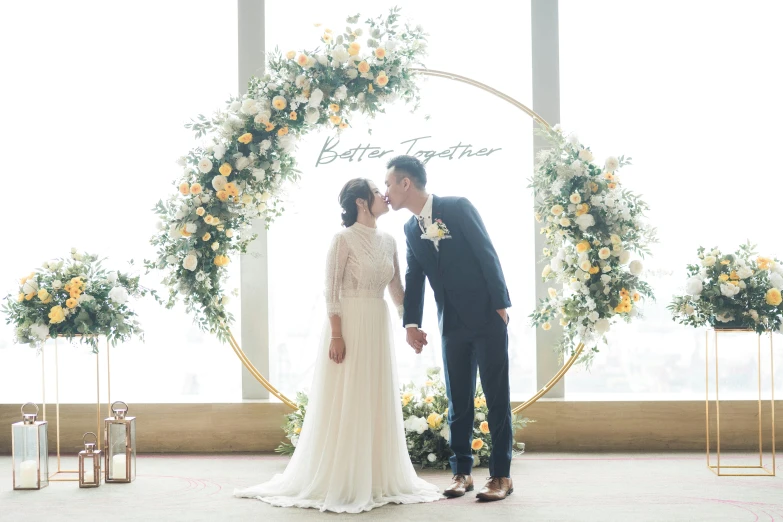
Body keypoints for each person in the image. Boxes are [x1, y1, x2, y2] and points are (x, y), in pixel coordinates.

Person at [235, 178, 441, 513]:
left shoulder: (389, 240)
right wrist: (336, 334)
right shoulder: (342, 240)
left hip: (377, 321)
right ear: (361, 202)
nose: (384, 196)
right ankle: (343, 476)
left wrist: (411, 326)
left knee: (374, 394)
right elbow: (331, 291)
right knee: (348, 395)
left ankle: (375, 476)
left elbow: (397, 289)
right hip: (348, 324)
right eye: (377, 192)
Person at [384, 155, 514, 502]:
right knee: (458, 400)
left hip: (488, 317)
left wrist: (501, 305)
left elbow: (487, 253)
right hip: (451, 324)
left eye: (388, 184)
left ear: (405, 183)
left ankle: (501, 476)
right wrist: (411, 323)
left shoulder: (457, 207)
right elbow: (414, 277)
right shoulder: (411, 229)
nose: (386, 192)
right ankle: (462, 473)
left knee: (497, 397)